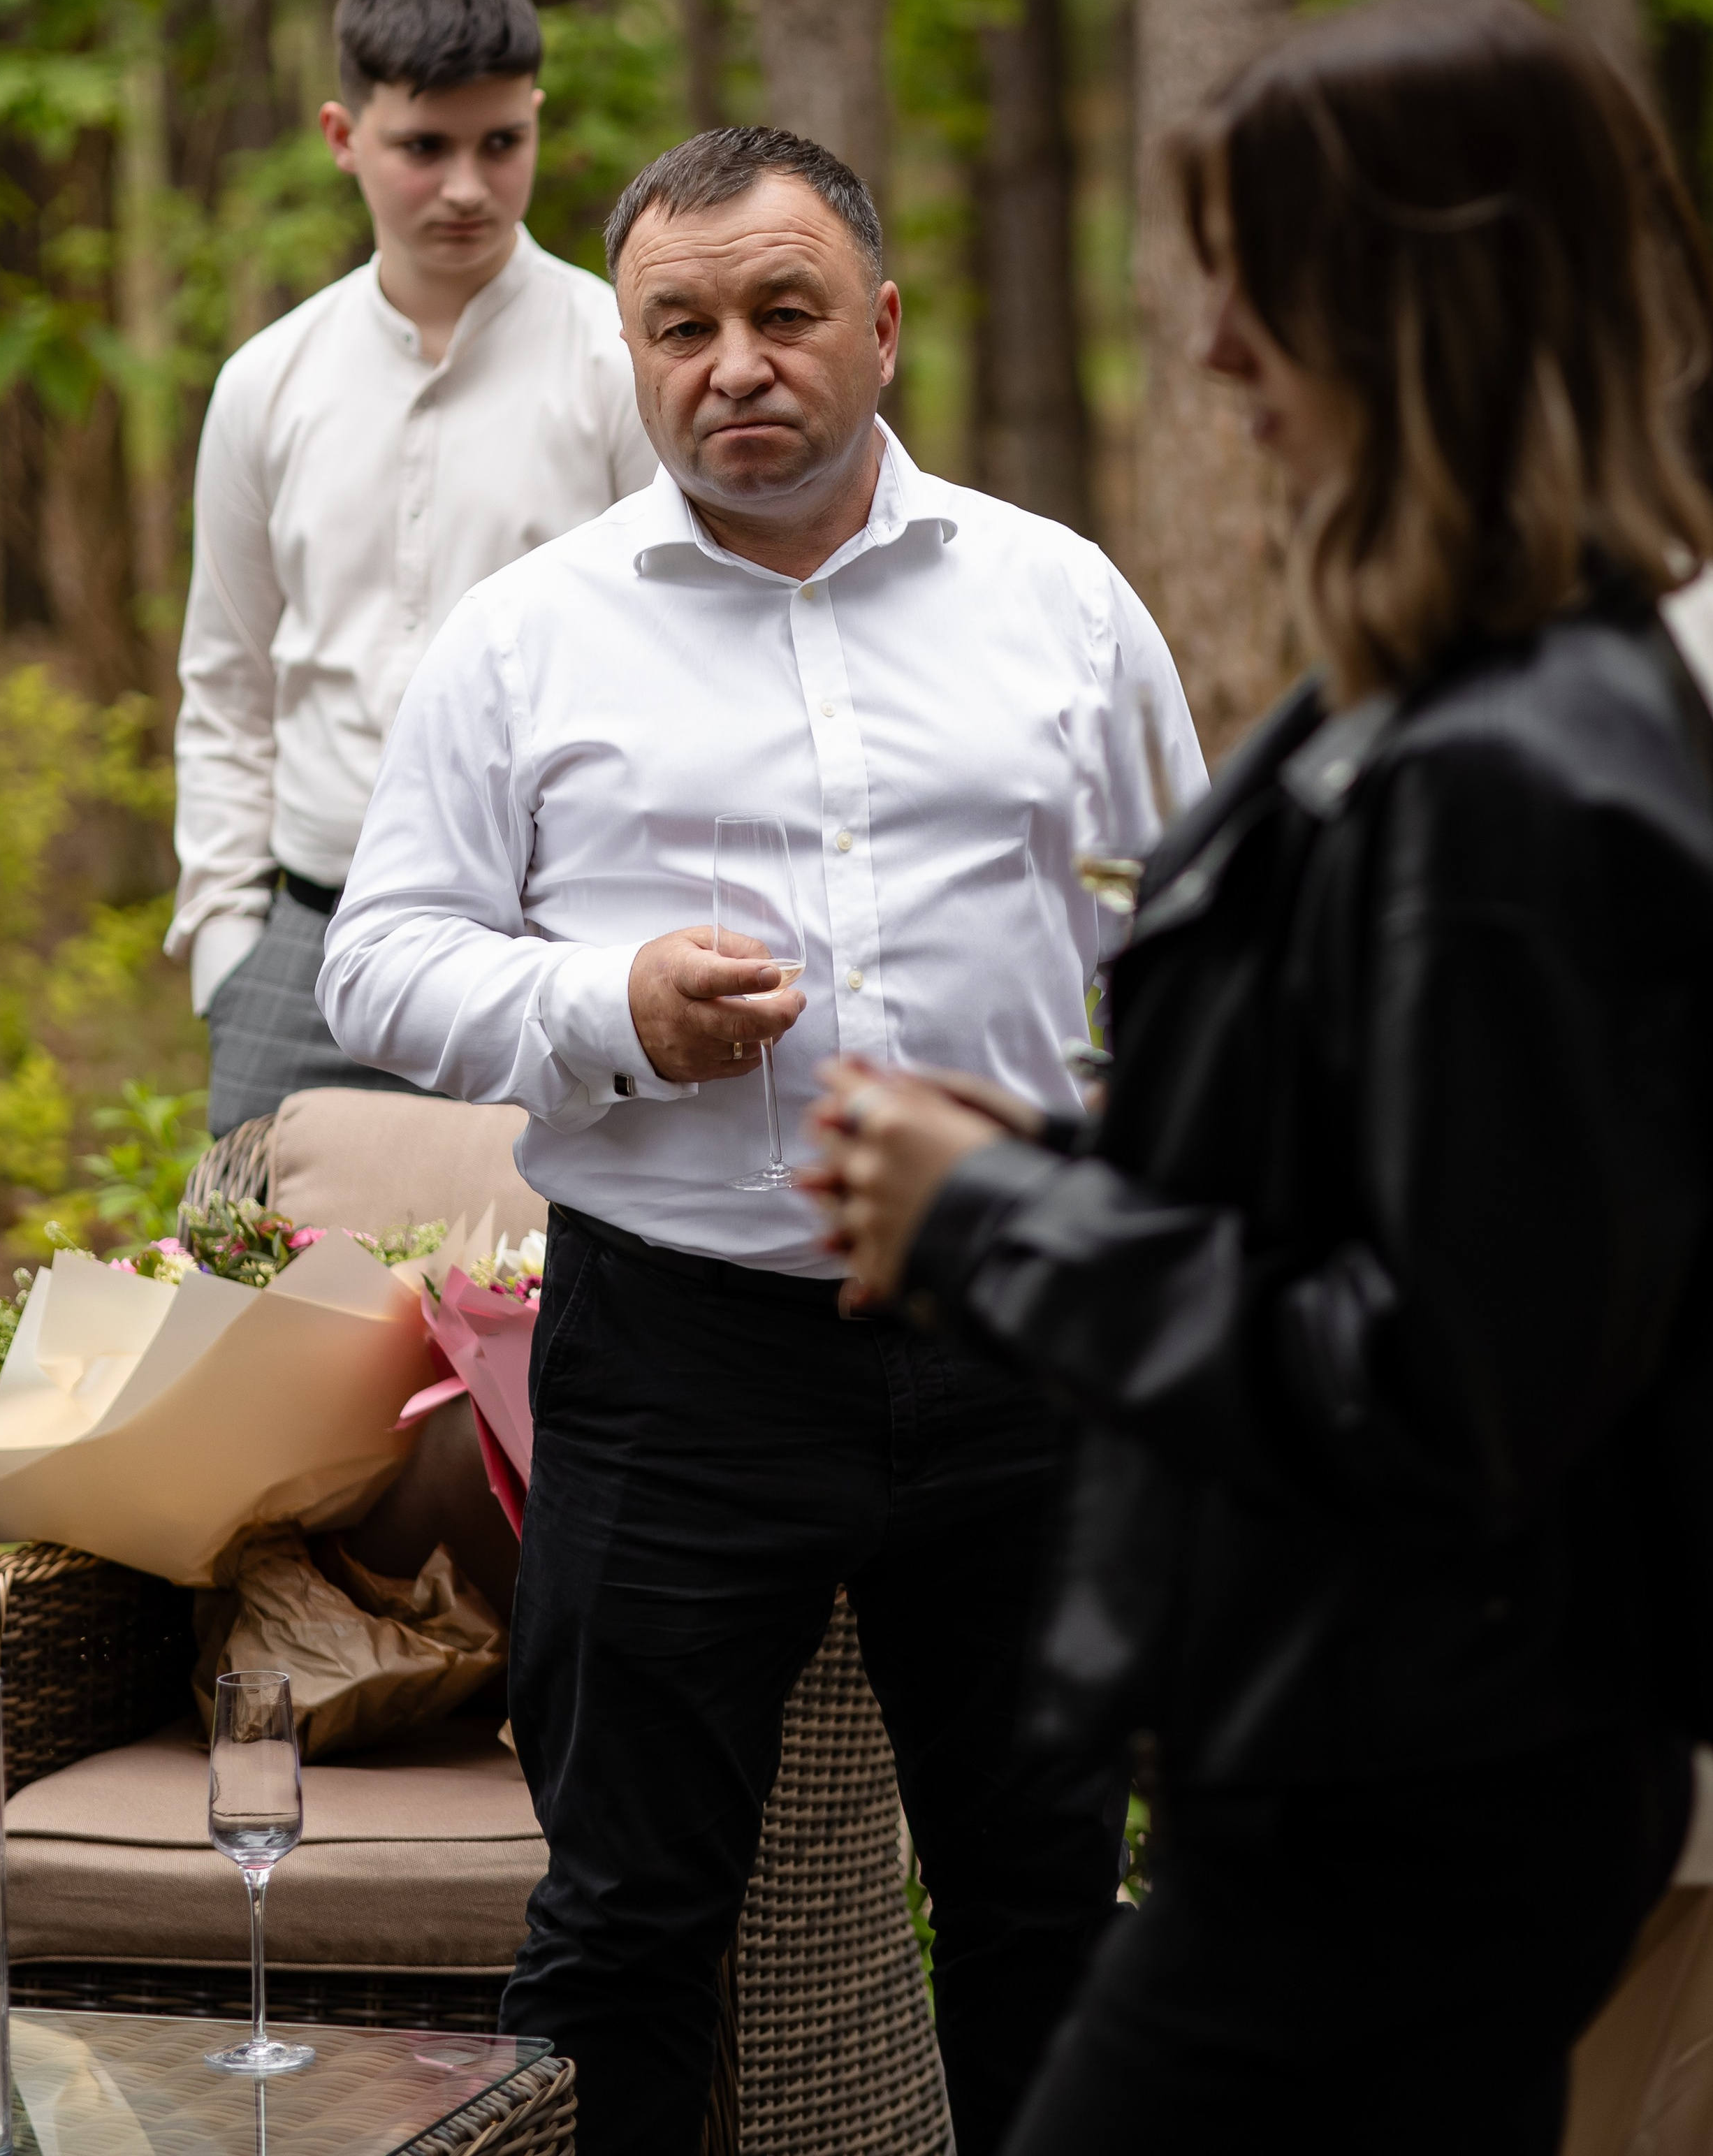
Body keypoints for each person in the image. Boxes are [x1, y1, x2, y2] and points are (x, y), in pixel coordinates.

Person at [806, 0, 1713, 2155]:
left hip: (1416, 1776)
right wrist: (1063, 1152)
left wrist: (1003, 1220)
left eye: (1263, 282)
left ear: (1428, 305)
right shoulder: (1447, 689)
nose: (1217, 346)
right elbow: (1392, 1152)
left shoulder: (1531, 773)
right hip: (1359, 1748)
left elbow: (1454, 1382)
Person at [316, 124, 1207, 2155]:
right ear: (631, 360)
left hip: (1015, 1351)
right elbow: (380, 965)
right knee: (627, 1920)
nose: (738, 363)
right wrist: (599, 1012)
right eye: (683, 326)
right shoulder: (525, 636)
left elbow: (1185, 948)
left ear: (880, 328)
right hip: (678, 1364)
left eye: (785, 312)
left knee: (1046, 1903)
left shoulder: (1061, 603)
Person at [167, 0, 655, 1135]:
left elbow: (680, 659)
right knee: (260, 1311)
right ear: (344, 136)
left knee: (531, 1308)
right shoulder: (266, 382)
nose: (469, 188)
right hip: (302, 945)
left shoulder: (624, 365)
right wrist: (227, 945)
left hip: (545, 947)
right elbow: (227, 680)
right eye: (424, 147)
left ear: (537, 120)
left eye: (502, 143)